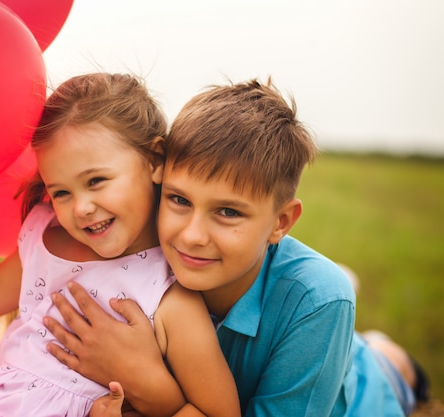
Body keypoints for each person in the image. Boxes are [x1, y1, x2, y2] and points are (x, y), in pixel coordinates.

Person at [43, 78, 428, 416]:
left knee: (387, 367)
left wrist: (146, 383)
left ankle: (381, 353)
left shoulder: (320, 300)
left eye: (227, 212)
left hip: (358, 396)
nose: (192, 235)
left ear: (280, 223)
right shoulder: (128, 246)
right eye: (179, 200)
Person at [0, 73, 239, 417]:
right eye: (61, 192)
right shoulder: (45, 236)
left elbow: (219, 412)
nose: (81, 208)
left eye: (96, 181)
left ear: (154, 160)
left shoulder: (167, 295)